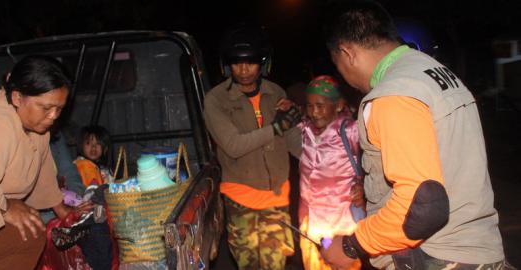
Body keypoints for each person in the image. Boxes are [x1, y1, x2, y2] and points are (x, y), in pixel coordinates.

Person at [319, 1, 505, 269]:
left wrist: (351, 246)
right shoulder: (435, 73)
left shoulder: (394, 94)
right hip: (477, 250)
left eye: (338, 66)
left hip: (438, 257)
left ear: (347, 53)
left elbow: (422, 204)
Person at [203, 24, 302, 270]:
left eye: (251, 62)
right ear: (226, 64)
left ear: (264, 63)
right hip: (240, 201)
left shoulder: (276, 91)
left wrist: (299, 120)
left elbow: (295, 145)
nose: (244, 69)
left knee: (276, 265)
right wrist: (276, 128)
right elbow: (234, 145)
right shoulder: (216, 99)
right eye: (236, 62)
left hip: (277, 199)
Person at [0, 55, 74, 269]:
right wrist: (6, 207)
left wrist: (60, 209)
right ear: (17, 98)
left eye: (59, 109)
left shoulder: (35, 125)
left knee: (31, 232)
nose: (53, 116)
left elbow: (41, 169)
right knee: (27, 236)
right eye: (46, 108)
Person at [298, 75, 364, 270]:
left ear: (338, 105)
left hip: (341, 228)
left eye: (320, 105)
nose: (314, 112)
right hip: (310, 226)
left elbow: (378, 163)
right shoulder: (305, 130)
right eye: (309, 106)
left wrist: (365, 188)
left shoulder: (352, 131)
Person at [74, 125, 115, 270]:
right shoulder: (82, 165)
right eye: (88, 143)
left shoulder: (102, 169)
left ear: (105, 148)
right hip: (90, 216)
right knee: (100, 249)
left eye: (98, 144)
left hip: (101, 215)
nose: (93, 148)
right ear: (81, 145)